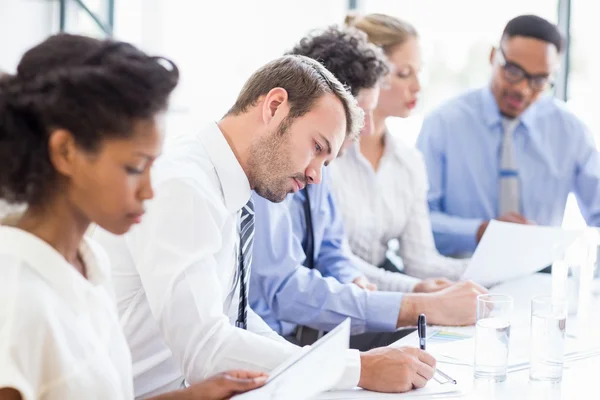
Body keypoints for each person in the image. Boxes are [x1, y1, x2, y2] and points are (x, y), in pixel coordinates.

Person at [93, 53, 437, 398]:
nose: (316, 175)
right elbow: (205, 348)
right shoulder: (185, 187)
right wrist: (357, 369)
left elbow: (235, 320)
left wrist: (335, 366)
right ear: (274, 106)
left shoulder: (229, 189)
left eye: (327, 161)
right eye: (317, 147)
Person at [0, 34, 267, 400]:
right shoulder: (15, 296)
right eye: (134, 167)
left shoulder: (89, 265)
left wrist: (193, 396)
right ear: (65, 152)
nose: (149, 191)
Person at [250, 25, 486, 352]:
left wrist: (352, 278)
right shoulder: (273, 170)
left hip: (313, 331)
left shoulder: (319, 167)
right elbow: (284, 290)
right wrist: (417, 304)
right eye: (361, 114)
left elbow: (332, 249)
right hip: (277, 340)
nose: (368, 128)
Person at [416, 14, 600, 257]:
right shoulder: (443, 124)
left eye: (539, 80)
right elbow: (416, 221)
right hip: (458, 275)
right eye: (513, 71)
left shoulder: (570, 130)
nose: (522, 89)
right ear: (494, 56)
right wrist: (480, 231)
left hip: (541, 277)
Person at [328, 13, 471, 280]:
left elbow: (422, 263)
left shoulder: (409, 161)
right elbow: (330, 261)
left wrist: (489, 273)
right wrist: (412, 293)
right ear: (367, 71)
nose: (417, 86)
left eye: (419, 72)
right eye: (405, 74)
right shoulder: (325, 155)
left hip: (383, 302)